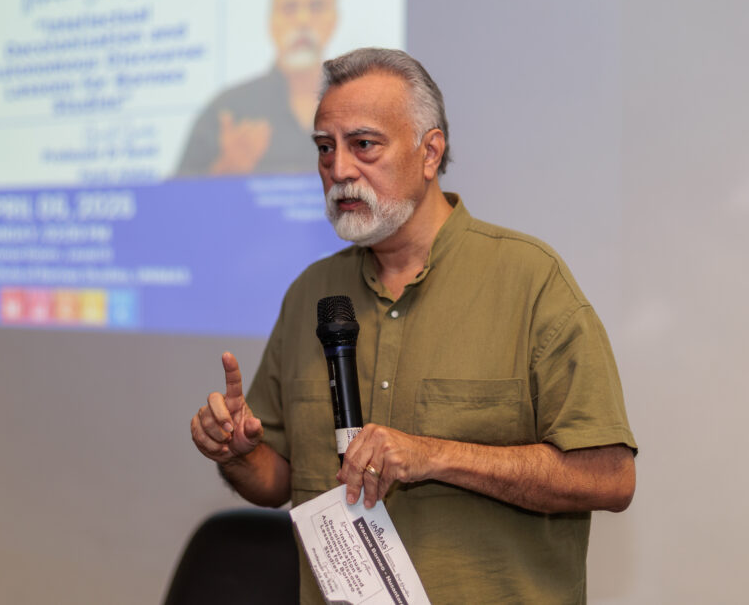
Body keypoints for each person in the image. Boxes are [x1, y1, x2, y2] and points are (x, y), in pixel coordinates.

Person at [189, 48, 637, 603]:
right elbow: (278, 480)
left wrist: (435, 455)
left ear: (430, 152)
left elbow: (610, 477)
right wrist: (237, 453)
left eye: (363, 144)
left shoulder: (530, 281)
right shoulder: (311, 294)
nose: (339, 169)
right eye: (325, 148)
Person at [175, 0, 337, 176]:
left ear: (334, 20)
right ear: (271, 22)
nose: (302, 20)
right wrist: (227, 167)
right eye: (289, 8)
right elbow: (176, 194)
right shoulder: (228, 110)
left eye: (316, 7)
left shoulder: (358, 107)